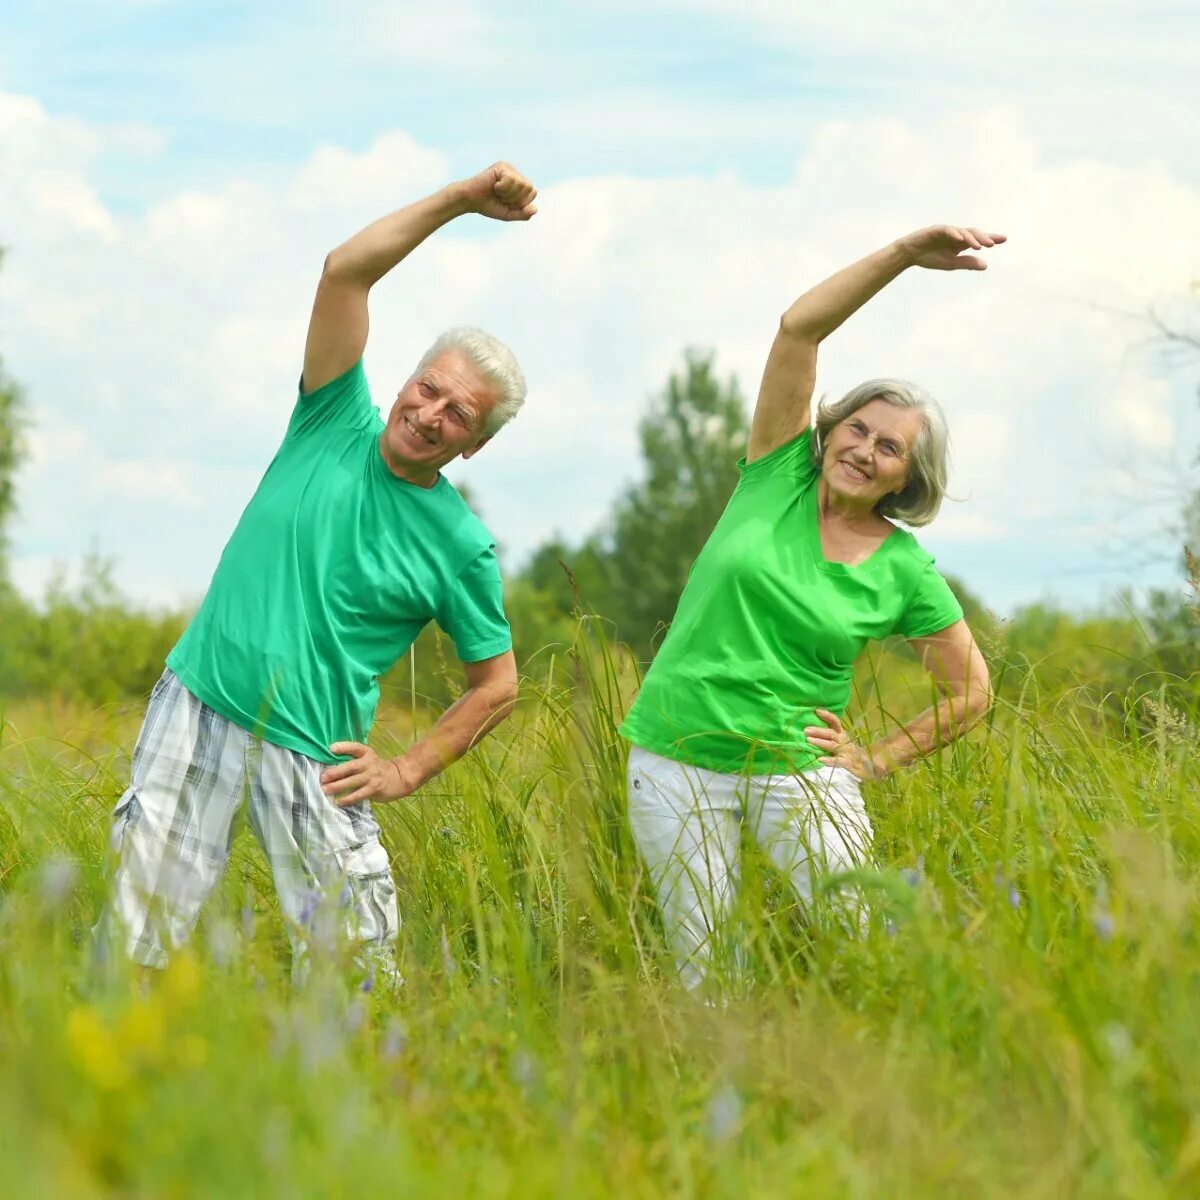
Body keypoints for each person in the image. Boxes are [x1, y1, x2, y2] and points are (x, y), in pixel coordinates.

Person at [100, 162, 539, 980]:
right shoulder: (332, 415)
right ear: (407, 379)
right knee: (138, 943)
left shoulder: (459, 544)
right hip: (199, 702)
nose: (431, 413)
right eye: (428, 388)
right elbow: (345, 270)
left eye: (459, 415)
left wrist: (408, 768)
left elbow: (499, 685)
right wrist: (458, 200)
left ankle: (341, 1099)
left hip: (317, 757)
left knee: (355, 972)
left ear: (475, 443)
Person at [619, 225, 1004, 990]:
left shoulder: (904, 570)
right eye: (857, 428)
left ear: (906, 478)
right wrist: (901, 256)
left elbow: (973, 691)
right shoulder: (776, 476)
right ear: (829, 432)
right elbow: (800, 326)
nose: (865, 449)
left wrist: (875, 758)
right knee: (707, 970)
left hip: (801, 772)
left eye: (889, 448)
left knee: (866, 943)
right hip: (672, 760)